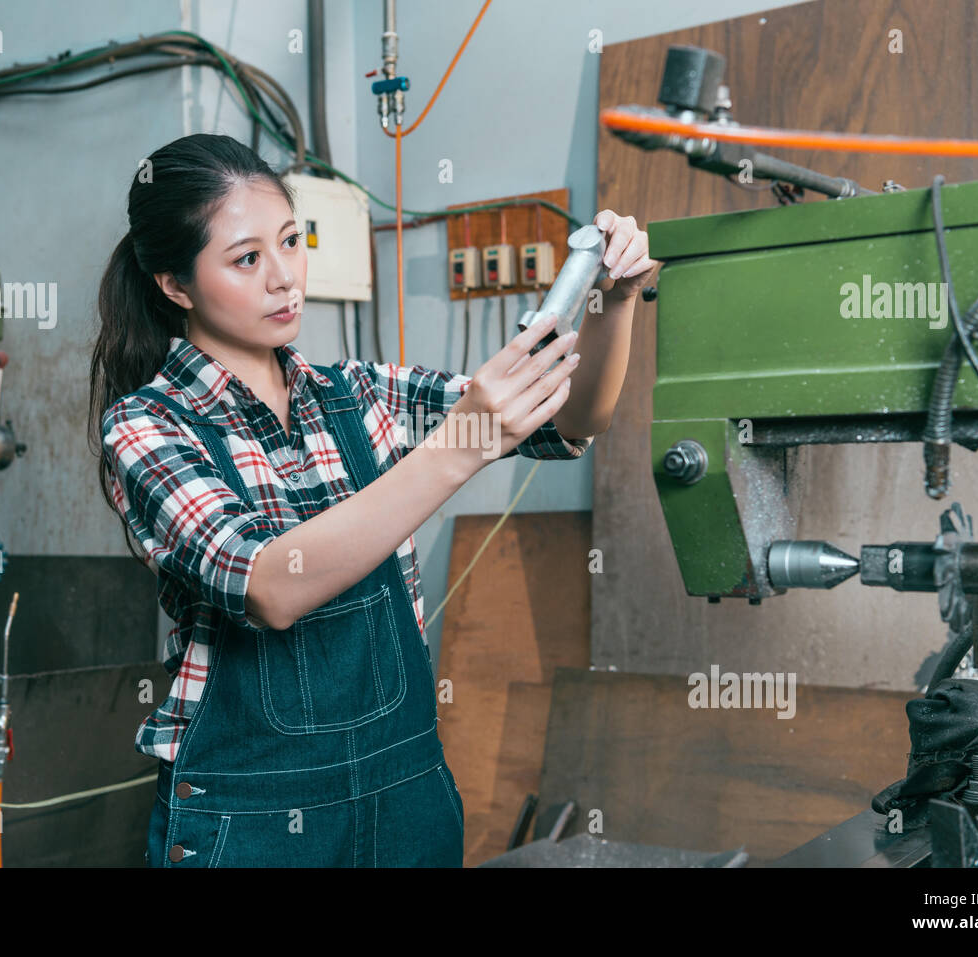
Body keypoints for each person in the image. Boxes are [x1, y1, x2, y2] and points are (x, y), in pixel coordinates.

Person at [88, 133, 655, 867]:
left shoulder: (359, 393)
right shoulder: (147, 426)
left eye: (290, 241)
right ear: (175, 285)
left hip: (405, 802)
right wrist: (460, 444)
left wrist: (614, 300)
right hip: (253, 821)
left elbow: (572, 418)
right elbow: (269, 584)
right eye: (246, 259)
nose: (284, 278)